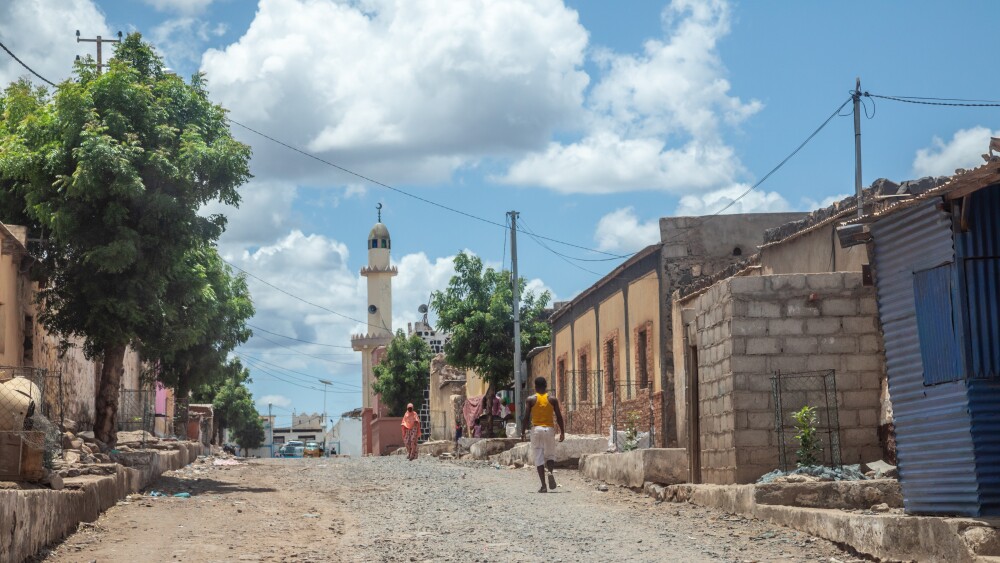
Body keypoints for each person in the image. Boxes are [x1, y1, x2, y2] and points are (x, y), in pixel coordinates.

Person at [521, 376, 565, 493]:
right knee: (550, 455)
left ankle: (543, 486)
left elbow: (526, 417)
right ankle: (550, 472)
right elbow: (559, 417)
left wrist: (523, 431)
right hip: (549, 429)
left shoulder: (530, 399)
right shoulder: (552, 399)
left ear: (535, 386)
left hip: (536, 430)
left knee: (539, 457)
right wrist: (562, 432)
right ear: (546, 386)